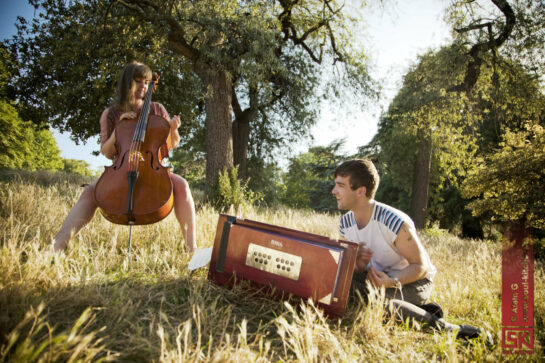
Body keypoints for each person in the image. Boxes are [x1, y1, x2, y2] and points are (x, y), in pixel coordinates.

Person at [332, 159, 492, 345]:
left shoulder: (393, 221)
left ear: (360, 191)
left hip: (414, 281)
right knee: (341, 288)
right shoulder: (345, 223)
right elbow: (349, 266)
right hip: (377, 279)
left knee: (379, 305)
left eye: (340, 185)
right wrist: (355, 266)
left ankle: (452, 330)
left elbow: (421, 267)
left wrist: (390, 281)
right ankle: (418, 310)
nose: (334, 191)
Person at [52, 62, 197, 253]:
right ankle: (56, 247)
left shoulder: (156, 109)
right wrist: (119, 128)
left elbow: (172, 144)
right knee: (89, 192)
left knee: (182, 185)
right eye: (138, 81)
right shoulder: (110, 114)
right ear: (126, 83)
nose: (143, 87)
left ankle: (192, 248)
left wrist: (173, 130)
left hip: (152, 170)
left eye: (146, 82)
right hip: (121, 170)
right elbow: (106, 151)